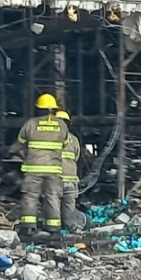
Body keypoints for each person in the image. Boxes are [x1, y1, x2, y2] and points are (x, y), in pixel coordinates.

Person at [16, 92, 69, 239]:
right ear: (53, 109)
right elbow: (64, 144)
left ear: (38, 108)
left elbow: (19, 145)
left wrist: (23, 155)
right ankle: (54, 229)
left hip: (33, 168)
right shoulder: (61, 125)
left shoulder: (31, 124)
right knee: (53, 197)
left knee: (31, 197)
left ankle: (28, 228)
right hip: (54, 169)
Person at [54, 108, 84, 235]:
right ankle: (71, 227)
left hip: (55, 177)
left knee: (53, 203)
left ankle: (54, 229)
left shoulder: (50, 138)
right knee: (69, 205)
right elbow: (76, 157)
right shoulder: (74, 139)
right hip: (71, 178)